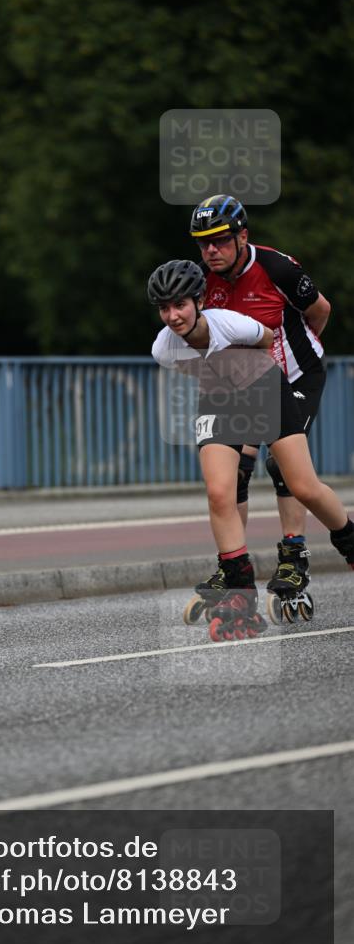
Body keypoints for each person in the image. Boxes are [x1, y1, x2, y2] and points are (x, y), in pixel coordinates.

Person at [148, 259, 353, 640]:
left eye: (180, 305)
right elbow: (192, 369)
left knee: (302, 484)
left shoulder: (231, 322)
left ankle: (349, 540)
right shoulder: (164, 348)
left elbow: (265, 342)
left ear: (199, 301)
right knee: (220, 491)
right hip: (219, 395)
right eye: (165, 308)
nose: (173, 316)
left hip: (263, 385)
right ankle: (240, 592)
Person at [189, 194, 331, 618]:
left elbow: (320, 311)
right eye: (203, 243)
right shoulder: (202, 280)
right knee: (237, 470)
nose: (211, 250)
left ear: (242, 235)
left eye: (220, 240)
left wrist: (299, 352)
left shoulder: (277, 268)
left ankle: (294, 554)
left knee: (283, 465)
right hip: (250, 383)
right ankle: (233, 567)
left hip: (297, 375)